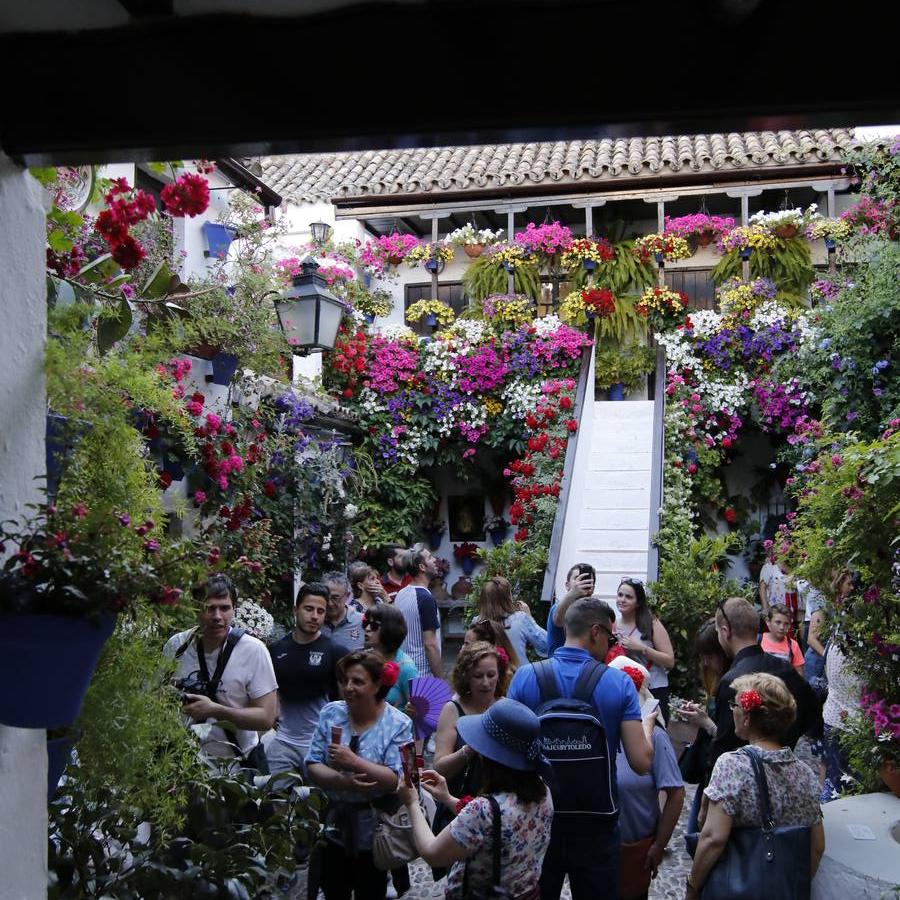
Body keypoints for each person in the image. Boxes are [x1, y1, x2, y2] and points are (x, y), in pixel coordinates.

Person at [508, 598, 655, 900]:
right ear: (596, 632)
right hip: (596, 822)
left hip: (538, 818)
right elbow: (641, 763)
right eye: (612, 638)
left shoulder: (525, 677)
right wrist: (648, 726)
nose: (612, 645)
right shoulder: (619, 683)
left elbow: (510, 754)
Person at [686, 673, 825, 899]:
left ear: (748, 718)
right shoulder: (806, 774)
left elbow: (713, 838)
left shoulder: (733, 765)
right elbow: (817, 846)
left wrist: (692, 887)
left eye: (736, 705)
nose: (733, 710)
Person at [399, 698, 554, 900]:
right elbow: (496, 824)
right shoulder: (543, 791)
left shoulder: (483, 811)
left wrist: (411, 802)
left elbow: (432, 853)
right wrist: (447, 798)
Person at [305, 651, 413, 900]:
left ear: (376, 685)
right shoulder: (332, 713)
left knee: (371, 889)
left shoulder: (398, 724)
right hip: (334, 822)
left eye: (358, 681)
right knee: (334, 888)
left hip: (375, 826)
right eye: (345, 681)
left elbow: (395, 780)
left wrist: (353, 761)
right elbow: (312, 764)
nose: (348, 688)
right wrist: (343, 781)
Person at [164, 574, 277, 764]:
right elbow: (155, 695)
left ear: (234, 609)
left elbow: (266, 717)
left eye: (224, 608)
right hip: (181, 764)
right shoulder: (177, 645)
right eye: (209, 608)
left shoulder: (253, 650)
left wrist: (215, 710)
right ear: (195, 609)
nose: (217, 616)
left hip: (235, 765)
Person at [707, 597, 820, 781]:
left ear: (725, 632)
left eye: (718, 631)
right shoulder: (787, 670)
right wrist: (785, 742)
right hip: (783, 773)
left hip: (741, 780)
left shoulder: (732, 681)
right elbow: (811, 713)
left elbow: (724, 745)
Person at [608, 657, 684, 900]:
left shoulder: (656, 737)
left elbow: (675, 793)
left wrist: (659, 845)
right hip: (597, 851)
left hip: (634, 851)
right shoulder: (598, 729)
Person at [430, 640, 508, 875]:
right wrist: (468, 749)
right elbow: (440, 767)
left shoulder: (505, 707)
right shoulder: (452, 710)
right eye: (478, 676)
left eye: (491, 675)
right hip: (459, 807)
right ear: (466, 677)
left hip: (497, 809)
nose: (486, 683)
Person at [266, 582, 349, 776]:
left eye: (321, 611)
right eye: (309, 609)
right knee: (274, 800)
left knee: (318, 804)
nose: (315, 616)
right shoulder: (276, 650)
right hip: (283, 741)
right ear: (296, 610)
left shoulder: (335, 651)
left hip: (321, 744)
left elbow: (346, 701)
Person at [614, 577, 675, 724]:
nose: (622, 600)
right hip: (626, 689)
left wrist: (642, 648)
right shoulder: (613, 625)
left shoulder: (651, 623)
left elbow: (669, 661)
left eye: (628, 597)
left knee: (655, 731)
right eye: (620, 595)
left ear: (638, 602)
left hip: (653, 688)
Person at [473, 575, 547, 665]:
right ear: (508, 598)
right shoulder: (520, 618)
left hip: (487, 676)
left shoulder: (476, 622)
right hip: (518, 675)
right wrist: (529, 617)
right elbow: (545, 644)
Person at [393, 546, 442, 677]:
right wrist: (440, 680)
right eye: (430, 557)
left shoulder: (401, 594)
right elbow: (430, 644)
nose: (435, 560)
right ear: (422, 567)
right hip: (422, 676)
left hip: (402, 672)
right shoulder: (425, 598)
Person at [363, 603, 418, 710]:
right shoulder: (363, 659)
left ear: (390, 629)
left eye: (374, 625)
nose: (367, 628)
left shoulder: (406, 668)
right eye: (366, 623)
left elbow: (417, 710)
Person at [545, 562, 596, 656]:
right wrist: (573, 593)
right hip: (558, 666)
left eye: (587, 580)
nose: (581, 583)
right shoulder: (558, 606)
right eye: (577, 578)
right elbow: (558, 620)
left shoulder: (594, 611)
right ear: (567, 585)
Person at [322, 570, 366, 650]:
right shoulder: (315, 621)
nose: (330, 603)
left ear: (347, 595)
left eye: (335, 598)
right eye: (325, 596)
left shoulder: (362, 622)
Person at [760, 602, 805, 675]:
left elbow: (799, 675)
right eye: (778, 622)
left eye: (786, 624)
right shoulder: (758, 640)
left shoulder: (793, 645)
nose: (782, 627)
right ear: (768, 622)